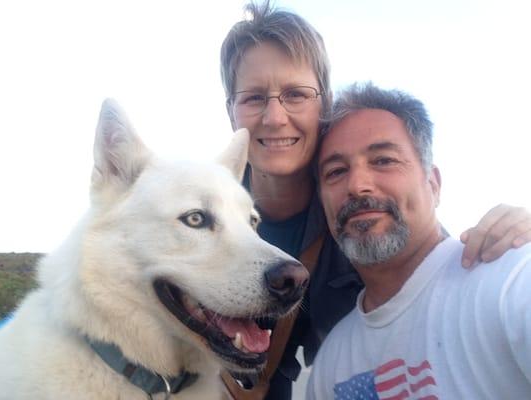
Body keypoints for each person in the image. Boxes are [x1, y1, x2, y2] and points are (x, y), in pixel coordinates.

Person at [220, 2, 531, 398]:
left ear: (323, 104)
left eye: (296, 94)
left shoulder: (358, 218)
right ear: (231, 111)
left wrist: (511, 238)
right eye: (253, 98)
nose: (276, 117)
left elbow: (434, 273)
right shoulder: (204, 212)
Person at [307, 82, 531, 399]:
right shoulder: (331, 364)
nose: (357, 185)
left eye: (383, 160)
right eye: (336, 171)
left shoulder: (510, 279)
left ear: (434, 184)